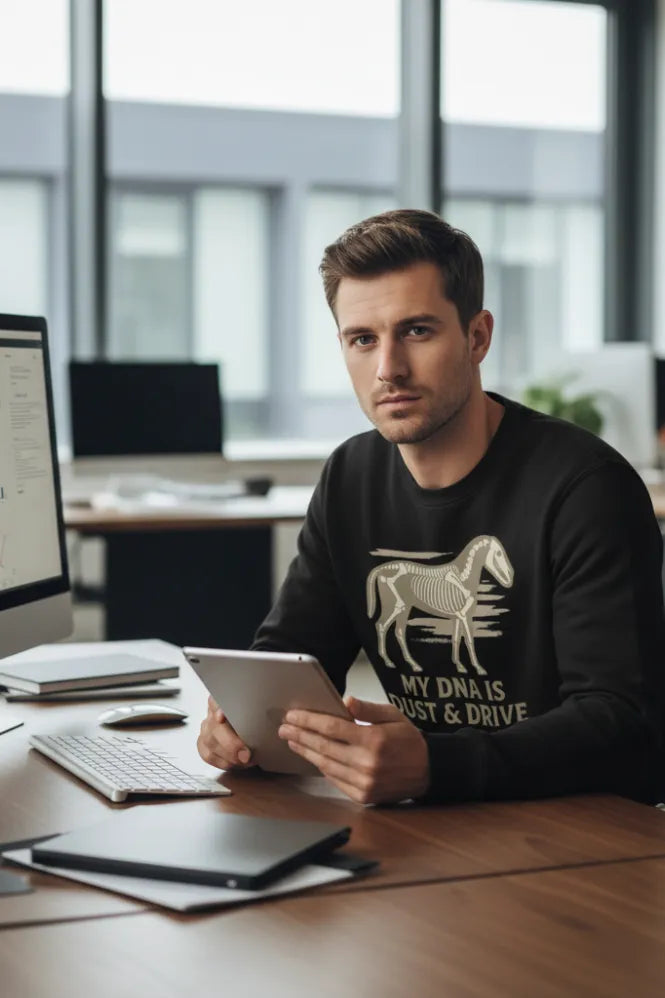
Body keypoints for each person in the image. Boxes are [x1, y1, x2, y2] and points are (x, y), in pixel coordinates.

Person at [197, 208, 665, 806]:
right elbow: (292, 657)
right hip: (435, 824)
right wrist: (240, 723)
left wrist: (434, 766)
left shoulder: (585, 487)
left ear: (477, 337)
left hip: (585, 832)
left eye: (416, 331)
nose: (388, 368)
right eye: (362, 339)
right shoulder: (350, 477)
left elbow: (622, 723)